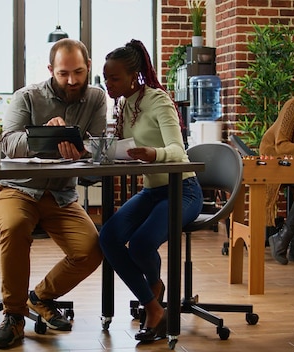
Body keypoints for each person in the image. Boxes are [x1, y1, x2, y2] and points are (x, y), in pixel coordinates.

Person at [0, 38, 107, 349]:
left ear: (88, 67)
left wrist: (81, 148)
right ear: (51, 70)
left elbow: (97, 146)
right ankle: (13, 317)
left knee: (92, 249)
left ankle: (40, 296)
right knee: (14, 227)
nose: (72, 80)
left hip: (61, 196)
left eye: (78, 72)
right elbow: (7, 144)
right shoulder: (26, 97)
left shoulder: (96, 98)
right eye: (64, 73)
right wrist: (46, 134)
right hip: (17, 189)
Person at [98, 39, 204, 341]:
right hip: (152, 191)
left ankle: (153, 301)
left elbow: (178, 150)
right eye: (105, 77)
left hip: (182, 189)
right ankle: (153, 300)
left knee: (142, 244)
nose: (108, 83)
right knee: (109, 237)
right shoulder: (124, 104)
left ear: (134, 76)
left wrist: (153, 154)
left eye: (114, 77)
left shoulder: (158, 100)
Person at [260, 93, 294, 264]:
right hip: (274, 157)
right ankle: (283, 239)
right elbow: (281, 145)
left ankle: (293, 246)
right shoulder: (293, 106)